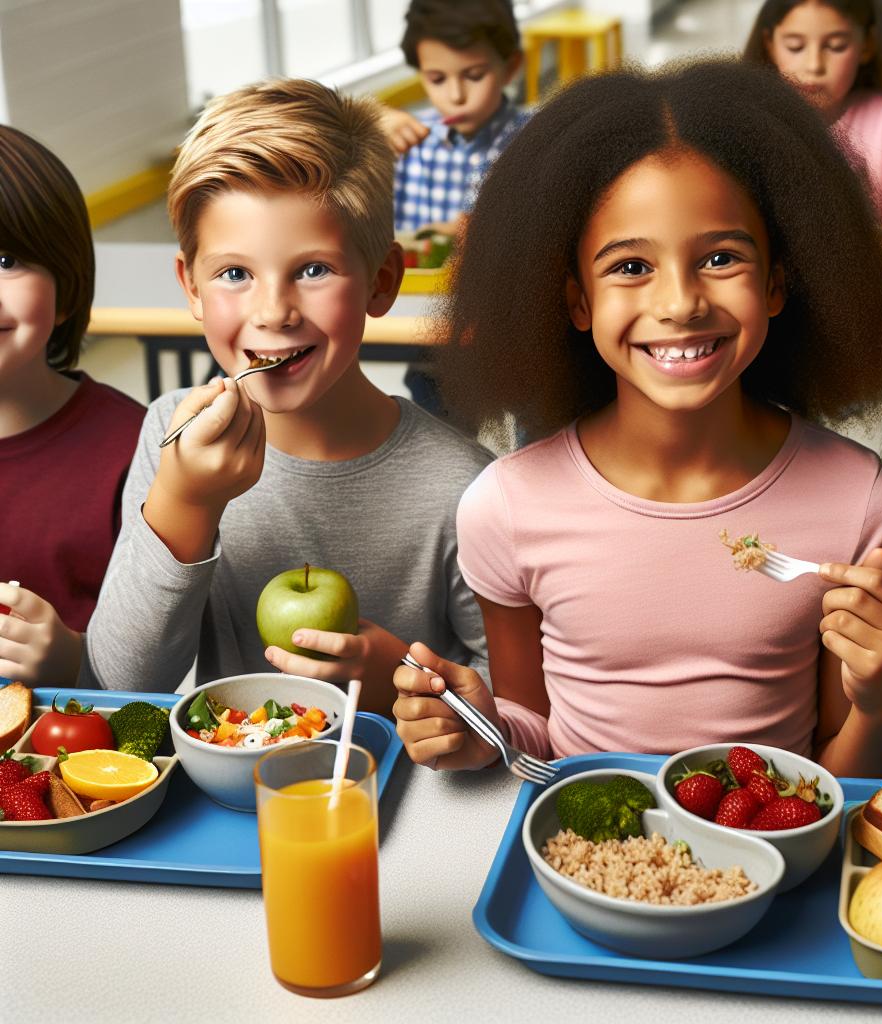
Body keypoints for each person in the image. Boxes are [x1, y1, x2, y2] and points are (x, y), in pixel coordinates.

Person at [393, 59, 882, 779]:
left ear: (777, 284)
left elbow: (848, 778)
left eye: (721, 257)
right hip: (583, 863)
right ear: (576, 301)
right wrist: (477, 722)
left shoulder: (859, 506)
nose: (680, 303)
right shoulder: (507, 507)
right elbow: (534, 733)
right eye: (630, 267)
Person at [80, 80, 491, 716]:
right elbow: (120, 689)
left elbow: (517, 706)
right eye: (234, 273)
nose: (273, 312)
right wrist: (185, 502)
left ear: (382, 281)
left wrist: (396, 680)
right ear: (191, 286)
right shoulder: (171, 434)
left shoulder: (463, 486)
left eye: (313, 269)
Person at [0, 126, 145, 686]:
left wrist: (72, 660)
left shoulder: (133, 452)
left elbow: (155, 674)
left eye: (8, 258)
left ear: (65, 286)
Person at [743, 0, 882, 225]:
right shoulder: (754, 124)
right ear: (769, 44)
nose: (814, 65)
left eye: (836, 46)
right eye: (795, 47)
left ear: (867, 46)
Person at [387, 0, 529, 236]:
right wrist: (368, 122)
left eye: (474, 76)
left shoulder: (536, 140)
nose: (456, 96)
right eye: (437, 79)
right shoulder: (406, 138)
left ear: (511, 67)